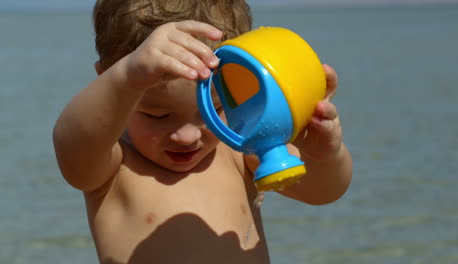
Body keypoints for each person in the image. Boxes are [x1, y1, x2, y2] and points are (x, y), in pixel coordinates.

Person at [52, 0, 352, 263]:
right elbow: (72, 141)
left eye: (215, 109)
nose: (188, 136)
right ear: (110, 84)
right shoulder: (112, 167)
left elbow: (323, 192)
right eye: (157, 115)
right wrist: (126, 77)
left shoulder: (239, 150)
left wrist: (324, 154)